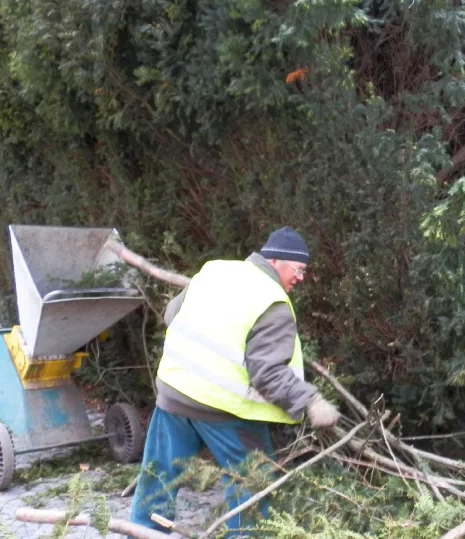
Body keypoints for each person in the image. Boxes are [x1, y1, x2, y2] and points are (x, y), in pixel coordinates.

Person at [130, 227, 341, 536]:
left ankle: (140, 532)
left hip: (175, 394)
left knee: (158, 479)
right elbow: (267, 374)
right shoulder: (273, 303)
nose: (302, 278)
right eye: (299, 269)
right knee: (251, 492)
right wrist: (311, 401)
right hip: (227, 412)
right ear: (277, 261)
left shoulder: (215, 271)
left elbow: (171, 314)